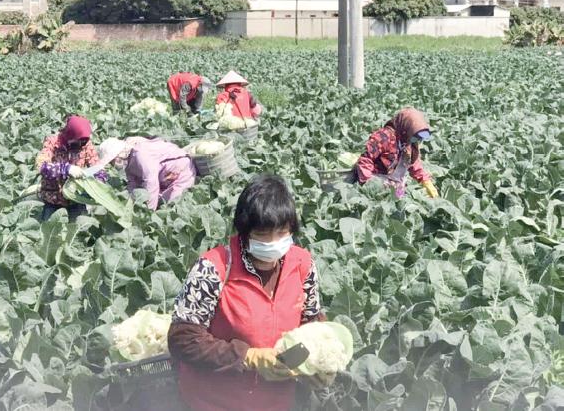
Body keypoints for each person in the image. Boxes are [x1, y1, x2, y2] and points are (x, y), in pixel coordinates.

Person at [168, 174, 325, 411]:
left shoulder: (303, 265)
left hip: (278, 401)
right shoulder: (213, 268)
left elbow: (312, 324)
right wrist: (248, 357)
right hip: (216, 402)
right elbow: (183, 339)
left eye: (282, 232)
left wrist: (317, 362)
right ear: (244, 231)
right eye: (262, 234)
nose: (273, 242)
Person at [355, 107, 439, 198]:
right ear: (407, 128)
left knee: (400, 205)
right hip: (376, 184)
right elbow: (366, 159)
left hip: (397, 186)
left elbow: (415, 165)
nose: (418, 140)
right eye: (416, 135)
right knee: (379, 207)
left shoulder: (409, 142)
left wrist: (425, 181)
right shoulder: (384, 137)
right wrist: (368, 185)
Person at [34, 115, 106, 221]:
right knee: (50, 232)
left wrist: (100, 178)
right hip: (53, 198)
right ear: (69, 134)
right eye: (78, 141)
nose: (81, 144)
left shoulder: (86, 145)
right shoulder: (53, 143)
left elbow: (96, 166)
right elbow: (41, 166)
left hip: (76, 199)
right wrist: (65, 169)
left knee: (78, 232)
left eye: (84, 141)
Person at [96, 136, 197, 210]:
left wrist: (149, 211)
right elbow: (133, 183)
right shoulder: (128, 161)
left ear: (119, 154)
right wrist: (130, 203)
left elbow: (151, 183)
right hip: (164, 177)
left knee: (172, 206)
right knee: (159, 201)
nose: (113, 164)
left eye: (112, 160)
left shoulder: (140, 155)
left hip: (181, 172)